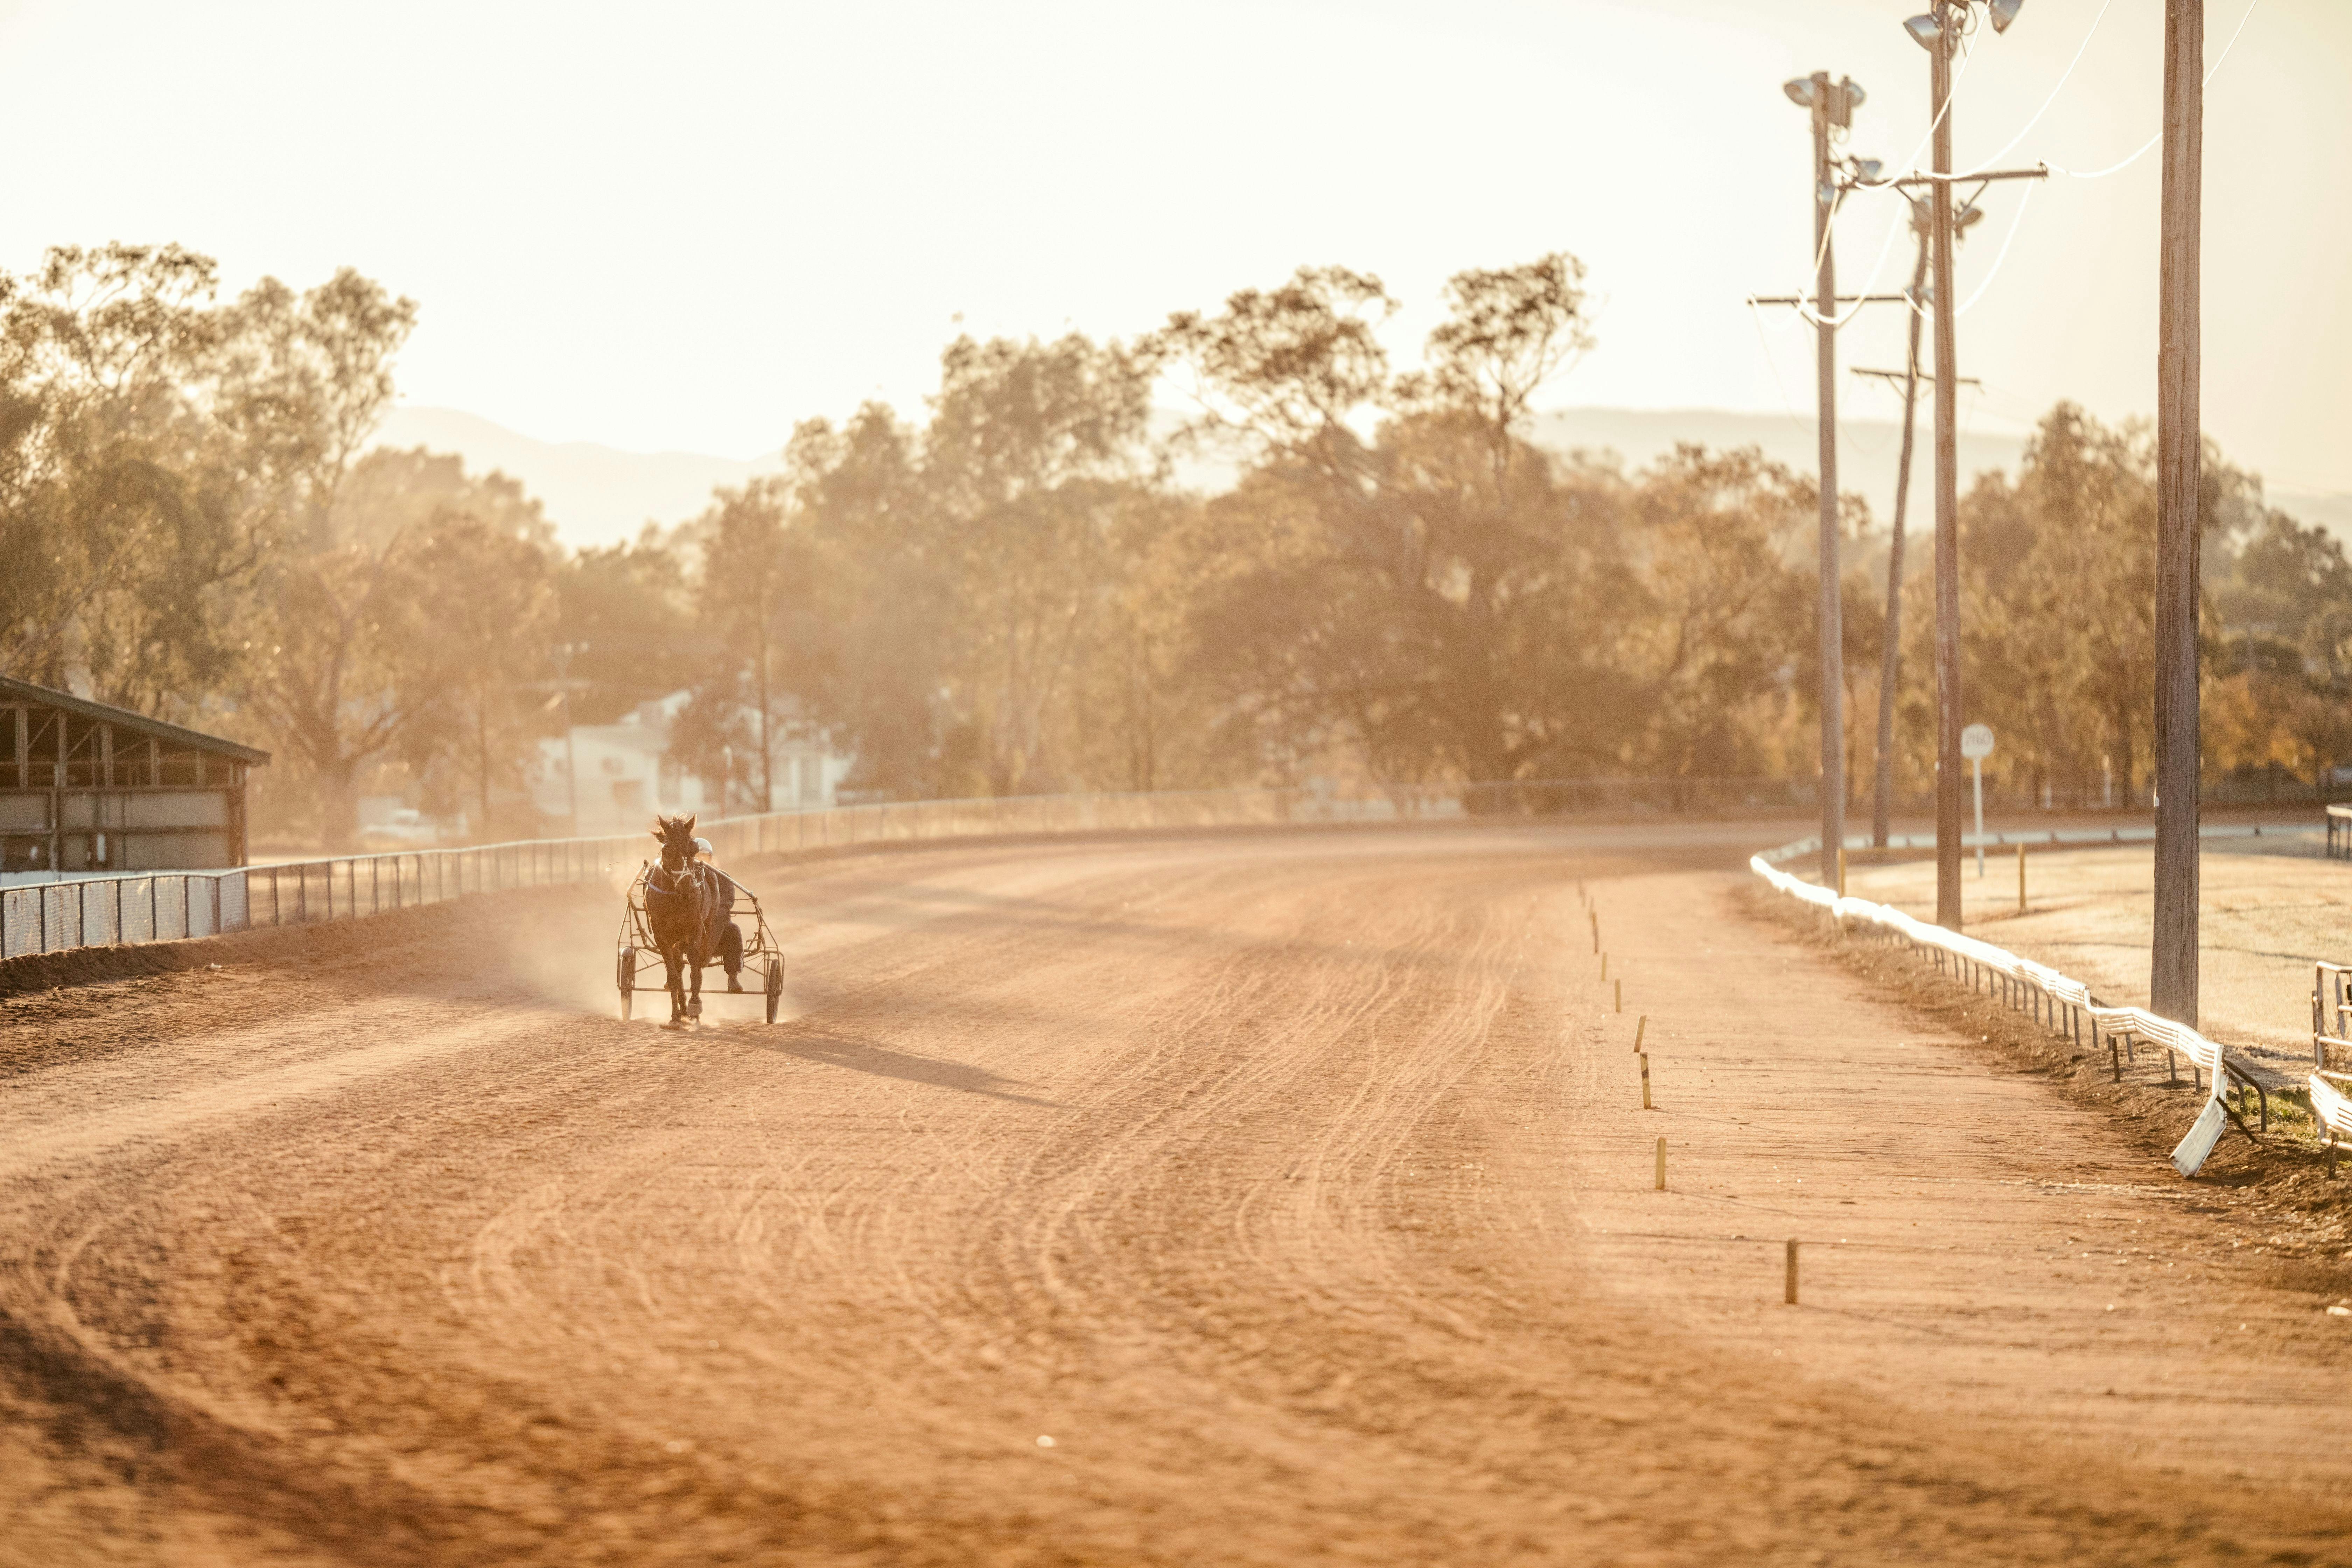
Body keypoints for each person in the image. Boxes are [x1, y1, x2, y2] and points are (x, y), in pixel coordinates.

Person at [694, 836, 747, 991]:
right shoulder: (686, 880)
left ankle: (733, 978)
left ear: (710, 858)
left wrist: (708, 915)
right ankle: (672, 976)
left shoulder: (723, 877)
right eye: (696, 857)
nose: (699, 860)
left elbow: (727, 903)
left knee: (734, 931)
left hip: (719, 927)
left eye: (703, 856)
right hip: (690, 927)